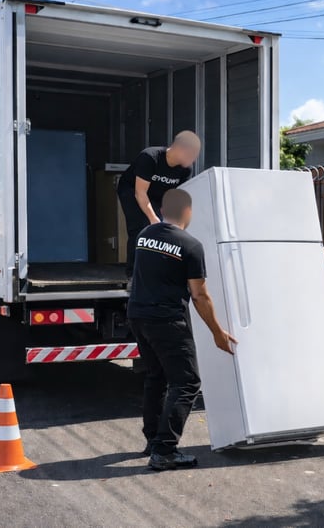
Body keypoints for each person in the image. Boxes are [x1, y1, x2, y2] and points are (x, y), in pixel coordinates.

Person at [128, 188, 237, 471]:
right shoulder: (190, 246)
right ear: (188, 212)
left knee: (156, 377)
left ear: (163, 211)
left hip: (138, 315)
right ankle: (164, 451)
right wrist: (217, 332)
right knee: (187, 383)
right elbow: (199, 295)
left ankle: (153, 440)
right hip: (167, 320)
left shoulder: (144, 236)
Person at [117, 131, 201, 278]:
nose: (193, 160)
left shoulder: (185, 170)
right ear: (178, 148)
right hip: (133, 191)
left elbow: (177, 197)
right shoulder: (150, 157)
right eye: (190, 155)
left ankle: (157, 274)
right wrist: (153, 218)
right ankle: (133, 276)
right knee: (141, 228)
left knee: (163, 232)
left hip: (158, 196)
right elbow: (140, 193)